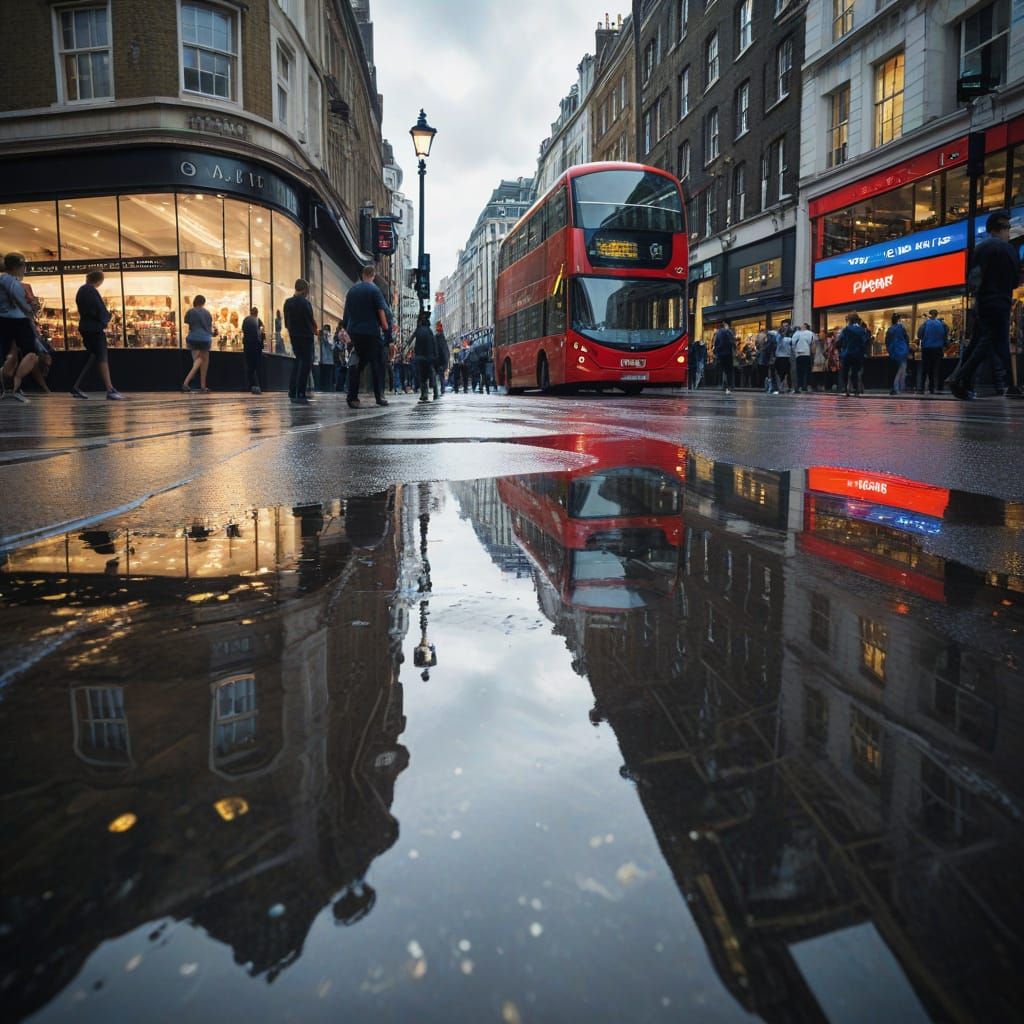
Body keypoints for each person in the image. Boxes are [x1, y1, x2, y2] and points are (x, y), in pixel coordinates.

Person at [948, 211, 1021, 399]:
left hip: (983, 303)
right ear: (1003, 229)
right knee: (991, 340)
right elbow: (1015, 280)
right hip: (1000, 303)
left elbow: (973, 277)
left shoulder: (981, 248)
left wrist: (976, 298)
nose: (1009, 233)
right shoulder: (1009, 250)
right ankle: (959, 377)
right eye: (1008, 229)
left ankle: (1008, 385)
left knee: (982, 341)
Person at [70, 270, 125, 400]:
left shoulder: (82, 290)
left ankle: (76, 386)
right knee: (101, 357)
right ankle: (110, 389)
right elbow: (98, 309)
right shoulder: (90, 291)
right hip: (93, 328)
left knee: (92, 357)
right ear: (99, 281)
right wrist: (106, 318)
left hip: (87, 327)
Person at [342, 264, 389, 408]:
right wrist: (385, 327)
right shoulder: (375, 290)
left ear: (363, 275)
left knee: (356, 363)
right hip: (371, 332)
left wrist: (347, 332)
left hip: (355, 332)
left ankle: (352, 397)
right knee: (377, 364)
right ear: (373, 275)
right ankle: (379, 397)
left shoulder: (352, 291)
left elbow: (346, 316)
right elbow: (381, 311)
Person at [0, 252, 40, 402]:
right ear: (18, 266)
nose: (25, 269)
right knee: (32, 354)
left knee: (11, 355)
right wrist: (30, 310)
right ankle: (13, 386)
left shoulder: (4, 280)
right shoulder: (10, 281)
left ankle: (10, 387)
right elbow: (19, 300)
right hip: (17, 321)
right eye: (24, 266)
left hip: (6, 320)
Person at [284, 279, 317, 404]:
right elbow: (309, 319)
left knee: (298, 361)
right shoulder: (305, 303)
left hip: (294, 336)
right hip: (306, 336)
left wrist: (292, 331)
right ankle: (301, 393)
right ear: (304, 289)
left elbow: (287, 322)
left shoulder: (288, 302)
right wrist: (314, 331)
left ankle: (292, 390)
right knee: (306, 363)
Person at [181, 294, 215, 393]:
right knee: (205, 362)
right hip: (205, 339)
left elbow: (187, 322)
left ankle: (186, 383)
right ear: (203, 303)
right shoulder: (208, 313)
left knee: (198, 360)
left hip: (193, 338)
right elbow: (209, 326)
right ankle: (202, 386)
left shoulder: (190, 311)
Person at [917, 309, 948, 395]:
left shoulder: (926, 323)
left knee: (925, 368)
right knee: (935, 369)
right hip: (938, 349)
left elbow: (919, 334)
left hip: (927, 348)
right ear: (937, 315)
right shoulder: (942, 324)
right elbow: (945, 335)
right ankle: (933, 388)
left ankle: (922, 387)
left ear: (930, 314)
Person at [838, 312, 870, 396]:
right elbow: (865, 342)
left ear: (849, 320)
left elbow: (839, 341)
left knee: (845, 371)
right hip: (858, 354)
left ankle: (845, 389)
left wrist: (839, 349)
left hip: (847, 354)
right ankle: (856, 389)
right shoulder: (862, 330)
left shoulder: (846, 329)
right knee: (855, 372)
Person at [411, 313, 437, 403]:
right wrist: (435, 356)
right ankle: (434, 390)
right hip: (429, 357)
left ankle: (424, 393)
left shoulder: (418, 330)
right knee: (429, 373)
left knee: (422, 376)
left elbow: (413, 341)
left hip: (420, 357)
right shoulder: (429, 331)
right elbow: (434, 344)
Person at [885, 312, 910, 395]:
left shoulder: (889, 330)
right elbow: (907, 339)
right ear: (899, 320)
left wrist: (890, 350)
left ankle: (894, 388)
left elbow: (887, 342)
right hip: (902, 352)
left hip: (893, 353)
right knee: (901, 371)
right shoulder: (901, 328)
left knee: (895, 371)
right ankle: (898, 388)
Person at [241, 306, 264, 394]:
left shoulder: (246, 320)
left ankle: (250, 386)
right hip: (257, 347)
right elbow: (262, 334)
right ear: (257, 313)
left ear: (250, 312)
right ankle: (259, 386)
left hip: (247, 346)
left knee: (249, 366)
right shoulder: (259, 321)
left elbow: (243, 330)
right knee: (257, 366)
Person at [712, 320, 735, 395]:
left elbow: (716, 344)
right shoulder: (729, 332)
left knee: (722, 370)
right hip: (728, 354)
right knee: (729, 371)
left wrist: (716, 352)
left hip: (721, 355)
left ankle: (722, 385)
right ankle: (729, 387)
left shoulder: (718, 334)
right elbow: (733, 343)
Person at [792, 322, 815, 393]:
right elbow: (812, 343)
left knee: (800, 372)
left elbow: (793, 342)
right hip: (807, 353)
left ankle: (800, 386)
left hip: (798, 354)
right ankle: (807, 386)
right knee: (807, 371)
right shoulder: (810, 333)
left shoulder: (797, 333)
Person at [773, 320, 794, 393]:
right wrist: (782, 332)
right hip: (780, 357)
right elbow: (779, 339)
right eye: (784, 326)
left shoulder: (791, 335)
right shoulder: (778, 335)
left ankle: (788, 387)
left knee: (788, 373)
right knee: (781, 373)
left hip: (787, 357)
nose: (785, 327)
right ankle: (780, 388)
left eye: (787, 326)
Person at [756, 327, 777, 392]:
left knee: (767, 373)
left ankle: (769, 386)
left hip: (766, 360)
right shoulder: (766, 344)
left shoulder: (768, 344)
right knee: (765, 373)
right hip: (765, 360)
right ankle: (767, 385)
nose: (759, 339)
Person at [318, 322, 334, 393]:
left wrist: (327, 337)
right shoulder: (321, 337)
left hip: (329, 360)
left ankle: (328, 387)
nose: (325, 331)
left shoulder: (329, 336)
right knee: (324, 375)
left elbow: (332, 346)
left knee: (328, 375)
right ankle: (324, 387)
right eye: (324, 329)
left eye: (327, 329)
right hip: (322, 360)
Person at [332, 324, 349, 393]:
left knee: (338, 368)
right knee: (341, 369)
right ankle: (340, 386)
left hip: (337, 352)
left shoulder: (336, 333)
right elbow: (347, 340)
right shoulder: (343, 332)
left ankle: (338, 385)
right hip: (341, 352)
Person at [434, 326, 450, 395]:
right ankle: (442, 389)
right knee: (441, 377)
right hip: (442, 361)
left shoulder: (435, 338)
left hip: (436, 360)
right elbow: (446, 352)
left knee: (435, 376)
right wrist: (446, 362)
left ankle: (436, 390)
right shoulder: (443, 339)